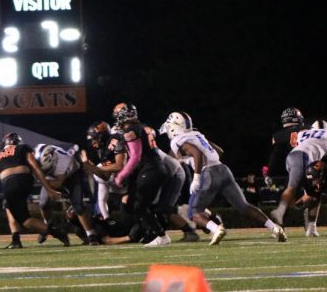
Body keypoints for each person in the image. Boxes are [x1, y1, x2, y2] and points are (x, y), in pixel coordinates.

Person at [161, 112, 287, 244]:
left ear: (175, 127)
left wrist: (197, 177)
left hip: (208, 173)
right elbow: (219, 151)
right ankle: (275, 227)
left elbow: (196, 152)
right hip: (223, 170)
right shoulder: (197, 135)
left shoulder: (177, 141)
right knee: (244, 206)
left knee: (194, 212)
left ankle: (216, 229)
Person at [112, 103, 173, 247]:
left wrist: (122, 175)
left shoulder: (130, 130)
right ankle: (153, 233)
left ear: (122, 115)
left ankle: (159, 235)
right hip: (156, 168)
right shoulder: (143, 126)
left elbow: (135, 157)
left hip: (150, 169)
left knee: (139, 206)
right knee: (137, 204)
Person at [0, 132, 69, 249]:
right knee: (11, 207)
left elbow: (4, 176)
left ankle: (57, 232)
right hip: (25, 181)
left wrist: (49, 189)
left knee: (25, 220)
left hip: (9, 184)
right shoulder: (22, 147)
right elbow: (35, 167)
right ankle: (16, 240)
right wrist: (48, 188)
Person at [271, 120, 327, 237]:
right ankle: (281, 215)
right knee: (293, 188)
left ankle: (310, 227)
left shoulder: (305, 135)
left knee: (315, 192)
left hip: (293, 158)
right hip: (303, 158)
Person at [33, 143, 102, 245]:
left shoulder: (63, 160)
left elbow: (58, 183)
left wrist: (41, 180)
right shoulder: (38, 150)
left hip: (71, 176)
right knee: (43, 203)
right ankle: (48, 227)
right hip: (52, 177)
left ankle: (91, 235)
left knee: (78, 206)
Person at [268, 107, 307, 176]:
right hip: (310, 166)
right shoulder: (310, 129)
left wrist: (269, 173)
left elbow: (275, 158)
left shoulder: (278, 135)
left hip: (291, 169)